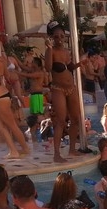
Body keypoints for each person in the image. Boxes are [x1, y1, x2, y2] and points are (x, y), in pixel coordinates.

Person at [44, 21, 85, 162]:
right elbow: (48, 68)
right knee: (61, 121)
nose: (60, 39)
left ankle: (72, 149)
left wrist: (80, 64)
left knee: (75, 119)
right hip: (58, 89)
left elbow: (70, 67)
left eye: (62, 36)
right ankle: (56, 154)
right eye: (56, 37)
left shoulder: (66, 51)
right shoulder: (51, 51)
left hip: (71, 87)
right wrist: (49, 49)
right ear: (51, 38)